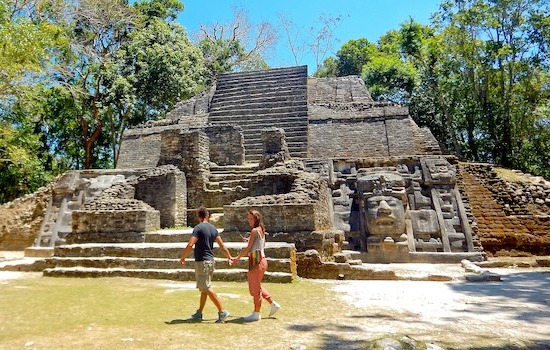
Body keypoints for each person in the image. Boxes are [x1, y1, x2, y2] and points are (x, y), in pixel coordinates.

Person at [179, 206, 231, 323]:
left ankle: (222, 311)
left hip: (202, 261)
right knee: (204, 288)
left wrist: (183, 257)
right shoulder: (213, 229)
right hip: (210, 261)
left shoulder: (198, 228)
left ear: (199, 216)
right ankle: (199, 313)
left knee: (205, 287)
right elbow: (222, 246)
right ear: (207, 216)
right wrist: (229, 257)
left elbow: (190, 244)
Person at [230, 209, 281, 321]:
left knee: (255, 289)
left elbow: (249, 249)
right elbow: (259, 244)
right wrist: (249, 240)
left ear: (256, 219)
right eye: (248, 218)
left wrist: (237, 258)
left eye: (251, 219)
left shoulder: (254, 231)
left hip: (256, 262)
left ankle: (256, 313)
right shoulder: (261, 230)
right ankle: (273, 304)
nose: (249, 221)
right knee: (257, 286)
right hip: (262, 260)